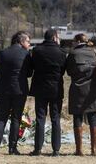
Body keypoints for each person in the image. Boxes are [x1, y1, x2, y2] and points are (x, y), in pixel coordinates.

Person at [0, 31, 31, 156]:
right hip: (19, 89)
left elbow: (2, 70)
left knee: (2, 118)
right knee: (16, 119)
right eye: (28, 41)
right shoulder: (26, 54)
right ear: (21, 41)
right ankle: (12, 148)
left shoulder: (2, 53)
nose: (29, 44)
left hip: (5, 88)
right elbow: (29, 73)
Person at [29, 29, 67, 157]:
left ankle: (37, 148)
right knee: (55, 118)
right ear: (55, 37)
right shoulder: (61, 52)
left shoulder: (36, 51)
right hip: (56, 88)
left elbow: (32, 67)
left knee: (40, 118)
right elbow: (62, 71)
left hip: (40, 87)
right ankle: (56, 149)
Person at [66, 33, 96, 156]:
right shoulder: (93, 52)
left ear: (77, 42)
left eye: (73, 41)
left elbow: (68, 71)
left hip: (77, 89)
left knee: (77, 118)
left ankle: (79, 150)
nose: (72, 43)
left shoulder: (72, 54)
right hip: (92, 89)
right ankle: (94, 150)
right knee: (92, 117)